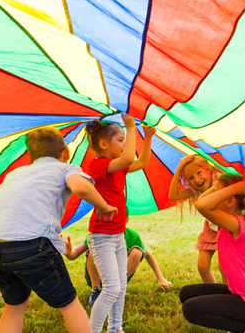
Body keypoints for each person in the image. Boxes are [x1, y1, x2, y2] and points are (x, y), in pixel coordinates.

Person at [0, 127, 118, 333]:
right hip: (30, 244)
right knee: (69, 304)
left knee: (14, 305)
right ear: (66, 152)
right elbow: (81, 187)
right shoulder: (65, 168)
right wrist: (104, 206)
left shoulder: (14, 173)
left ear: (31, 155)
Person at [85, 114, 155, 333]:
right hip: (101, 235)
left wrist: (149, 138)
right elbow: (127, 159)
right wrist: (131, 126)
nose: (125, 145)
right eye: (121, 140)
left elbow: (141, 162)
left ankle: (115, 329)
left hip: (117, 234)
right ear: (104, 144)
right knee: (111, 287)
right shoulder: (98, 165)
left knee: (120, 286)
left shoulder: (117, 167)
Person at [180, 174, 245, 333]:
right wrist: (220, 186)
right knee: (186, 294)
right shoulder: (230, 221)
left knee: (190, 309)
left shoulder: (236, 223)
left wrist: (234, 188)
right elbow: (201, 203)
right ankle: (242, 322)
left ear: (230, 201)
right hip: (238, 293)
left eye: (217, 193)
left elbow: (202, 205)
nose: (213, 195)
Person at [63, 227, 172, 306]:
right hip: (97, 278)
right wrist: (68, 252)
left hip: (118, 278)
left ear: (126, 221)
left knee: (137, 252)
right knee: (93, 250)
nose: (114, 225)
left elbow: (147, 254)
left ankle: (115, 290)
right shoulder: (97, 235)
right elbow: (74, 255)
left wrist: (160, 278)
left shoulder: (132, 237)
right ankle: (95, 291)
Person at [169, 154, 224, 283]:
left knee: (224, 267)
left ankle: (227, 294)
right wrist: (178, 170)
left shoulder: (219, 179)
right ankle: (213, 294)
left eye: (199, 172)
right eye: (191, 178)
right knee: (202, 267)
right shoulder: (195, 189)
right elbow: (173, 195)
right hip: (211, 228)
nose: (197, 180)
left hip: (227, 228)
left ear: (209, 168)